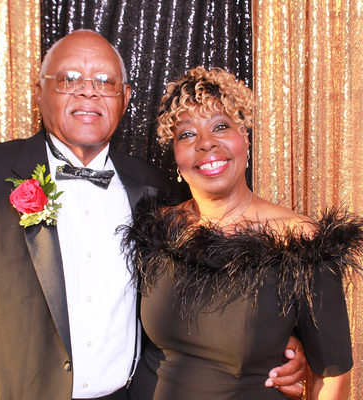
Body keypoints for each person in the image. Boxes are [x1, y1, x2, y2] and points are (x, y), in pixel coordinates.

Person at [0, 31, 305, 400]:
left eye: (105, 81)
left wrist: (276, 343)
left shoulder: (155, 192)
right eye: (70, 79)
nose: (88, 91)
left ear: (125, 98)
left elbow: (201, 300)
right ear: (39, 92)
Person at [121, 66, 362, 400]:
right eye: (187, 134)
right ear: (175, 155)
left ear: (245, 138)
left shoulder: (299, 239)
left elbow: (333, 377)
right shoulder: (158, 228)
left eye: (221, 126)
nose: (206, 143)